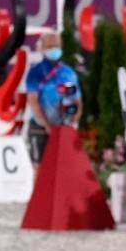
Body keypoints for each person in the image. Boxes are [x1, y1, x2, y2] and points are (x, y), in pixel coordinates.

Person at [24, 32, 80, 164]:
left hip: (62, 128)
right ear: (42, 49)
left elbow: (76, 102)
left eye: (56, 46)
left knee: (62, 168)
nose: (54, 49)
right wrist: (47, 125)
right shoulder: (35, 72)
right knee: (39, 168)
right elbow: (33, 102)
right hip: (39, 128)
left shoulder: (68, 73)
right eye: (50, 46)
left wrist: (72, 122)